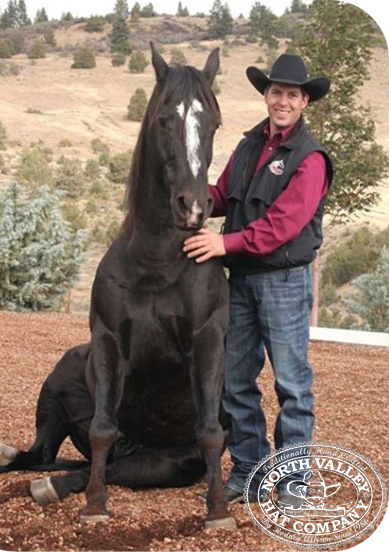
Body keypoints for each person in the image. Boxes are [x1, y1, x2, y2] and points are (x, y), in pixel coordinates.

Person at [184, 53, 333, 503]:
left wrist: (221, 245)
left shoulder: (310, 159)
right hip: (242, 281)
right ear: (265, 95)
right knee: (236, 379)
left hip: (285, 282)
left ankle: (292, 481)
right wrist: (187, 199)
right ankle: (248, 469)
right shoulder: (249, 145)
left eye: (292, 94)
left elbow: (282, 226)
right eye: (276, 92)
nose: (282, 100)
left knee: (291, 383)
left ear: (304, 101)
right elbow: (222, 195)